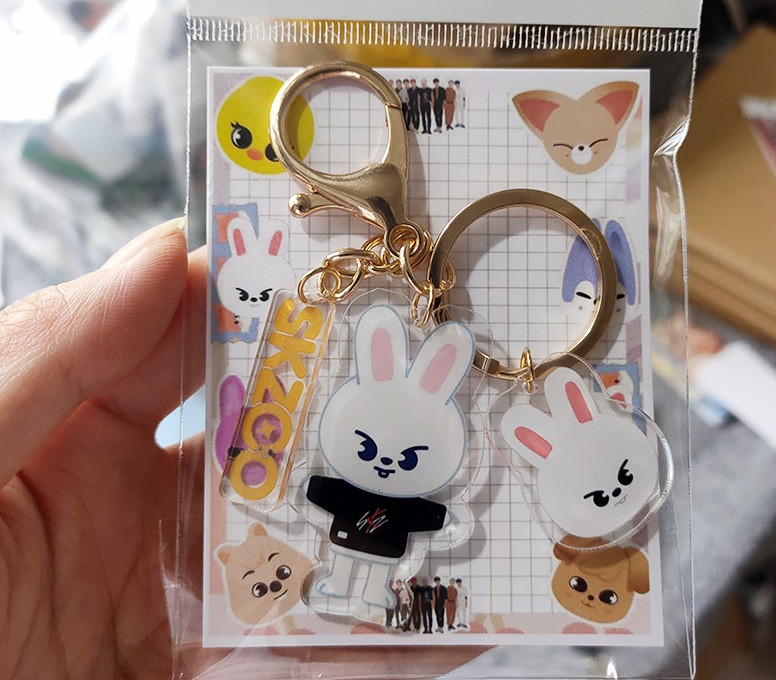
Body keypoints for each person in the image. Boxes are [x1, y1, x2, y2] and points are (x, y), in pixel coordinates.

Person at [0, 220, 489, 677]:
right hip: (342, 539)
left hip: (383, 545)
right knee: (342, 567)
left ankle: (373, 595)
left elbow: (429, 515)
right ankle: (341, 588)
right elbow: (321, 491)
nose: (385, 463)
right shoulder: (348, 476)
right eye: (367, 449)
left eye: (407, 459)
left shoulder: (409, 491)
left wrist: (444, 518)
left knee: (377, 575)